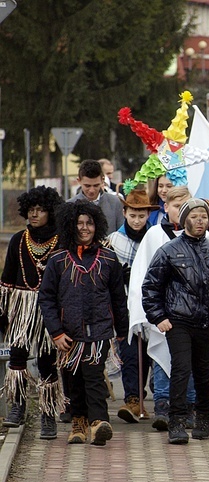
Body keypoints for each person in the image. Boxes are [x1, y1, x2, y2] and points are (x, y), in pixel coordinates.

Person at [142, 199, 209, 444]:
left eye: (203, 216)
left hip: (206, 322)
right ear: (184, 221)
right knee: (181, 369)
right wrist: (159, 317)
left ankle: (204, 415)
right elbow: (151, 286)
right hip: (178, 321)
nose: (199, 221)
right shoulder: (169, 251)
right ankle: (177, 422)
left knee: (203, 370)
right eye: (193, 216)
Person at [39, 200, 128, 446]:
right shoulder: (58, 260)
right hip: (68, 332)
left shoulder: (108, 259)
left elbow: (118, 297)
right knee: (73, 380)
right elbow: (46, 298)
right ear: (70, 226)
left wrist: (121, 328)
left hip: (99, 330)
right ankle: (78, 421)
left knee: (94, 377)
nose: (85, 228)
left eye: (89, 223)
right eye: (79, 223)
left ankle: (98, 422)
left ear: (97, 226)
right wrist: (56, 332)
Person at [127, 186, 193, 431]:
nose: (180, 211)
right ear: (166, 207)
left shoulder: (199, 234)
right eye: (176, 206)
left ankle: (187, 405)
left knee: (188, 360)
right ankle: (163, 406)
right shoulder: (155, 235)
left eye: (185, 206)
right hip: (163, 311)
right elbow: (142, 274)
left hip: (190, 312)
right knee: (163, 357)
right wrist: (143, 308)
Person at [1, 186, 64, 439]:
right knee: (17, 356)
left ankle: (48, 416)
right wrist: (4, 312)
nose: (35, 215)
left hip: (49, 306)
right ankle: (18, 406)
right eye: (31, 210)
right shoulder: (18, 239)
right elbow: (6, 279)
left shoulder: (61, 240)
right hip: (22, 306)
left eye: (40, 210)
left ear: (51, 212)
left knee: (48, 361)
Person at [106, 189, 159, 423]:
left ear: (148, 215)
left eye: (141, 215)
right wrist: (120, 276)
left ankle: (143, 395)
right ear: (125, 213)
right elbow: (106, 273)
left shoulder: (154, 238)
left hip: (150, 304)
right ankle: (132, 398)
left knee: (146, 353)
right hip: (124, 304)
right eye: (133, 215)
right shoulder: (114, 240)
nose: (137, 220)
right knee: (129, 351)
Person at [69, 159, 124, 232]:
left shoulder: (115, 203)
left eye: (96, 185)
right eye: (87, 186)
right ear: (79, 181)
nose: (92, 190)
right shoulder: (70, 206)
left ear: (102, 180)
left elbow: (121, 235)